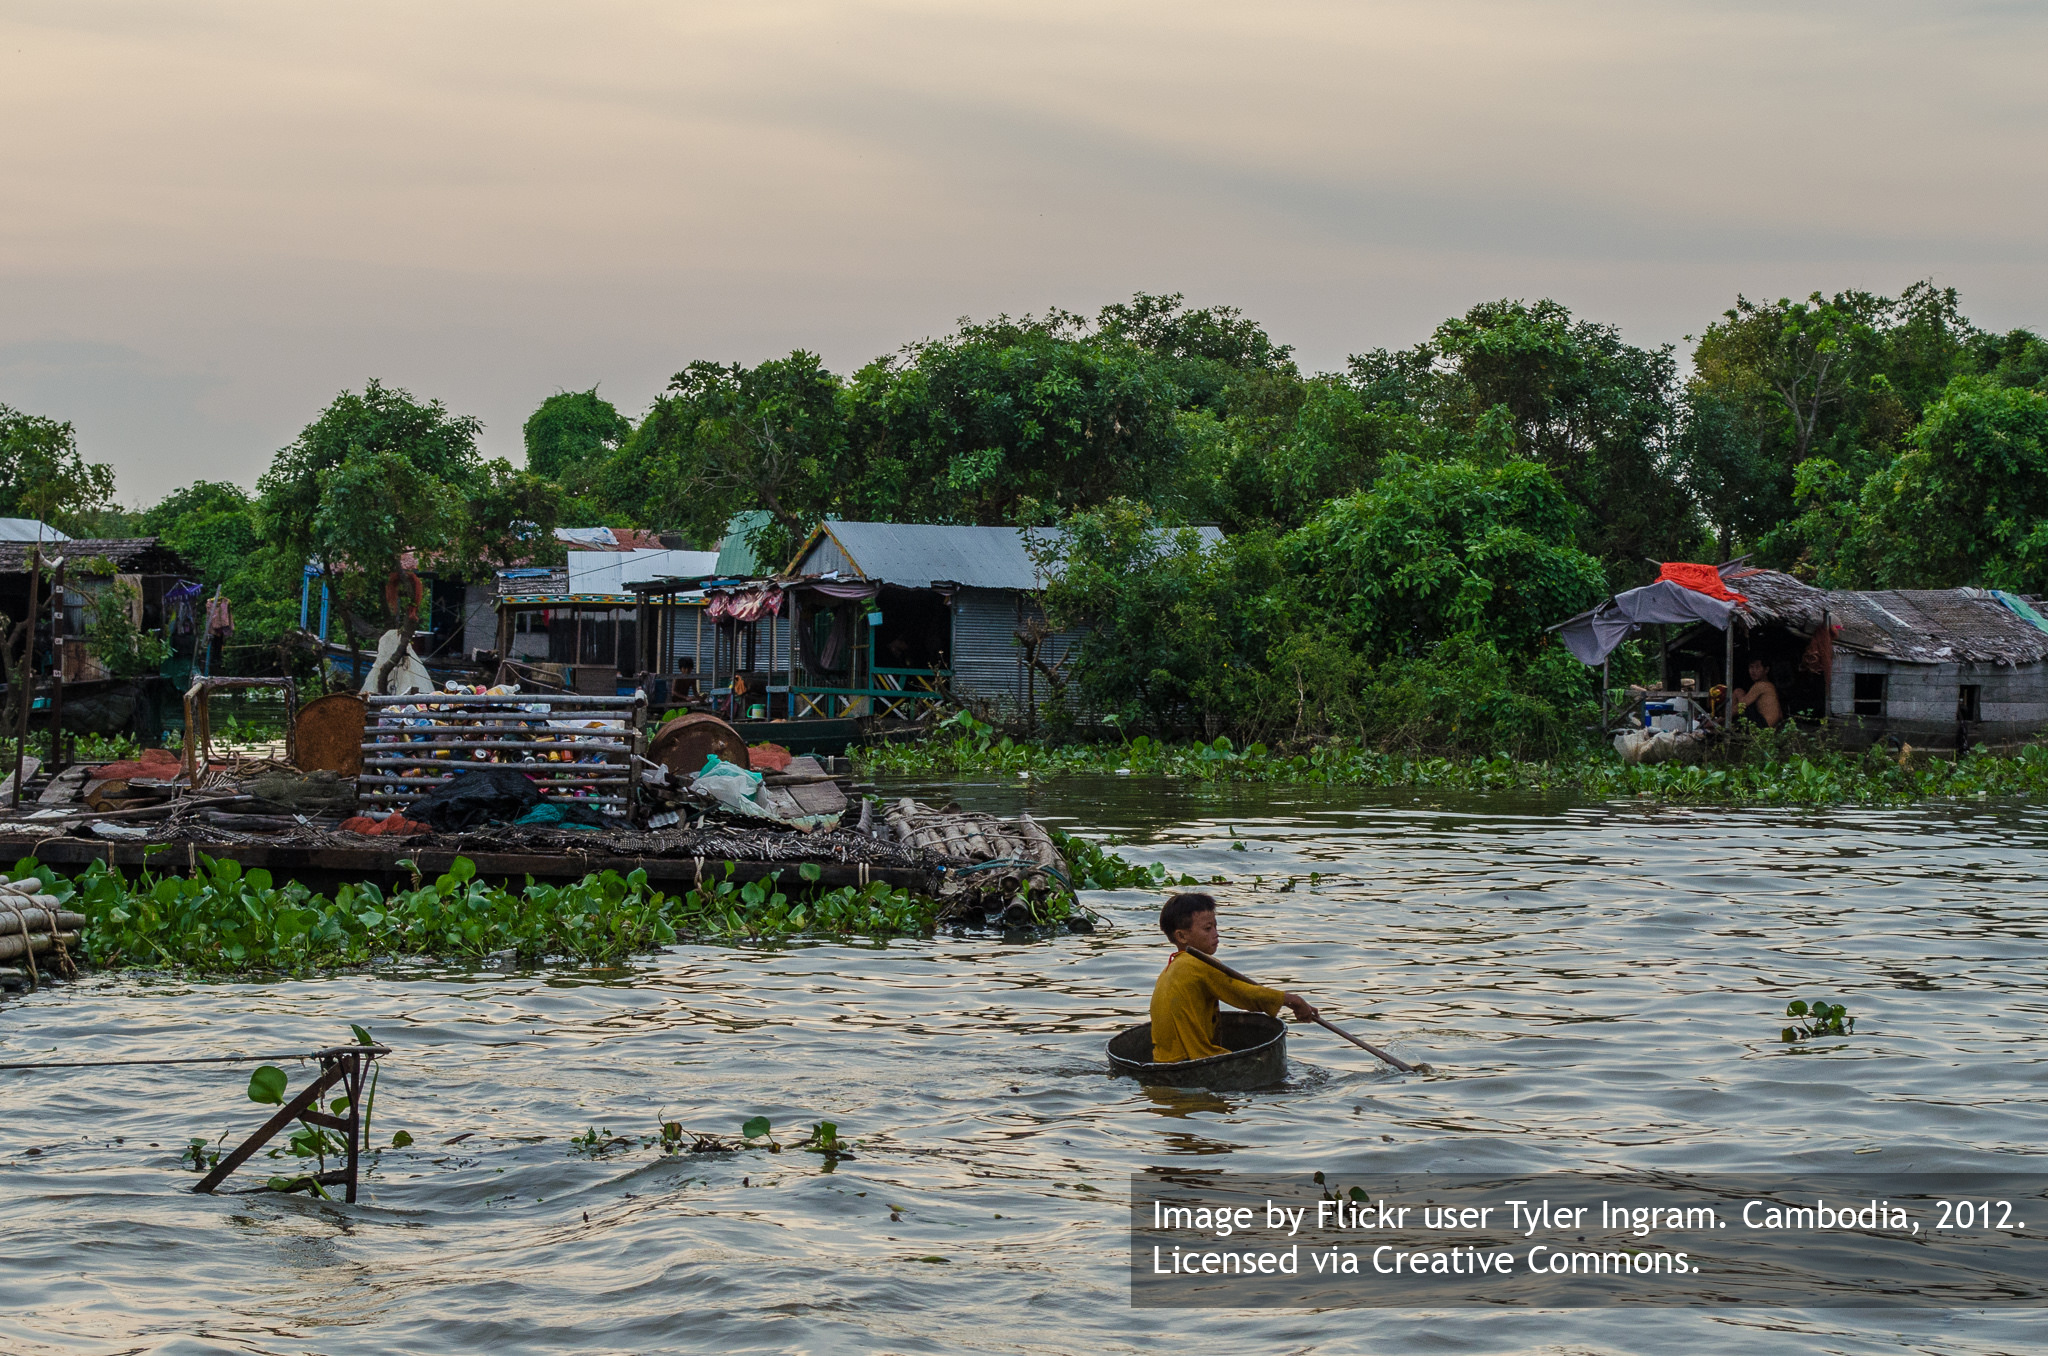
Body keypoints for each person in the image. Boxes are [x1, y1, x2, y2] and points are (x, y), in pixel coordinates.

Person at [1150, 892, 1318, 1063]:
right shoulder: (1197, 965)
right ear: (1182, 936)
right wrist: (1292, 1000)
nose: (1216, 934)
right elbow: (1244, 995)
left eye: (1215, 926)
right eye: (1208, 929)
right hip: (1193, 1060)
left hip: (1163, 1061)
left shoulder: (1169, 969)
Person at [1733, 658, 1783, 728]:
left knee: (1738, 692)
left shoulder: (1762, 685)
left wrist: (1722, 718)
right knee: (1739, 692)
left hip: (1764, 726)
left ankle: (1724, 723)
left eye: (1757, 667)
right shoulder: (1770, 685)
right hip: (1766, 725)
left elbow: (1741, 706)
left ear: (1766, 670)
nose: (1753, 671)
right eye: (1751, 667)